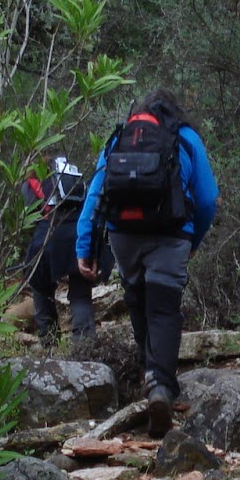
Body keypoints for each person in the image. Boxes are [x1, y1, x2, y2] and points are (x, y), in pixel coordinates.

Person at [76, 89, 218, 437]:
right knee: (164, 309)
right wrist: (193, 239)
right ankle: (160, 387)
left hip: (123, 234)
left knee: (137, 299)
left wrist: (86, 246)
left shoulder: (120, 137)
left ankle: (147, 372)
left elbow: (96, 193)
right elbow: (208, 199)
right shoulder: (184, 137)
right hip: (171, 233)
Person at [22, 156, 109, 347]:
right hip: (79, 233)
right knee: (80, 292)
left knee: (41, 289)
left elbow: (31, 214)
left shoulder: (32, 181)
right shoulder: (72, 176)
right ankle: (85, 345)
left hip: (50, 233)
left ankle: (49, 342)